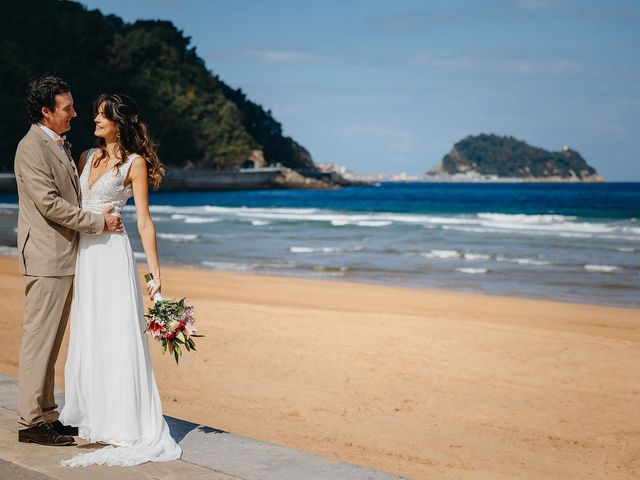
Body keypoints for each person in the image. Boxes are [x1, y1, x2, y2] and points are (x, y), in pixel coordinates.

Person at [58, 93, 182, 466]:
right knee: (88, 331)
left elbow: (144, 219)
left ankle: (120, 420)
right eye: (95, 114)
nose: (95, 120)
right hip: (85, 255)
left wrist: (156, 273)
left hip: (112, 255)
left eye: (102, 116)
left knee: (115, 333)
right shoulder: (85, 157)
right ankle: (89, 415)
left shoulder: (135, 163)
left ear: (119, 123)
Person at [14, 76, 123, 447]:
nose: (74, 114)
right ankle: (31, 421)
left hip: (62, 257)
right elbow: (49, 204)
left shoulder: (56, 145)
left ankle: (46, 413)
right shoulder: (31, 147)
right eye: (67, 108)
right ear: (46, 111)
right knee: (38, 341)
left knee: (51, 340)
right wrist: (98, 223)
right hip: (46, 257)